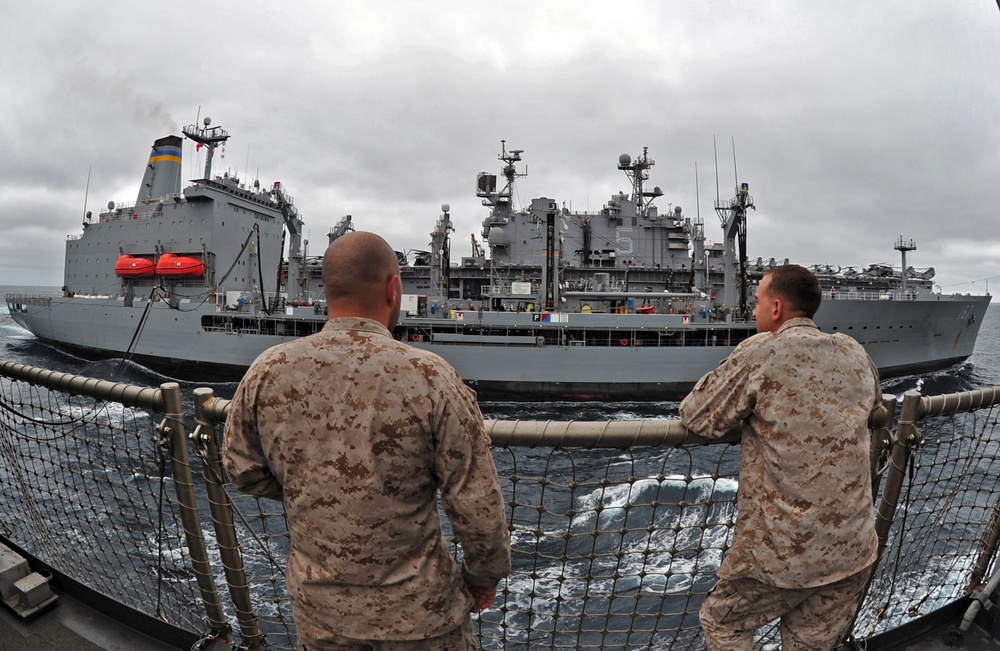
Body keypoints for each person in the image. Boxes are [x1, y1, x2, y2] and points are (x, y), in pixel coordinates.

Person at [224, 231, 511, 651]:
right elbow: (475, 501)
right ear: (393, 288)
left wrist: (316, 489)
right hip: (420, 618)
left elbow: (242, 470)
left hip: (322, 616)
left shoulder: (268, 369)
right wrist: (483, 578)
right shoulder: (432, 376)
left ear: (327, 288)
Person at [679, 264, 881, 651]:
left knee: (723, 622)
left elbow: (696, 414)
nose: (752, 311)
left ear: (775, 309)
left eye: (756, 302)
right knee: (811, 642)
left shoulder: (762, 351)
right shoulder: (853, 350)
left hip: (784, 557)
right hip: (853, 550)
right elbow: (871, 404)